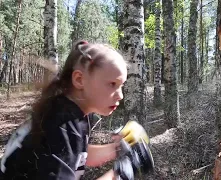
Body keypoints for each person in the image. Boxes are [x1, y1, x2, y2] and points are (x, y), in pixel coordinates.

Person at [0, 40, 128, 180]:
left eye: (121, 86)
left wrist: (117, 149)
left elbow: (78, 154)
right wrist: (117, 176)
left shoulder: (73, 114)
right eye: (112, 84)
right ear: (79, 80)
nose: (120, 95)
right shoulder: (62, 124)